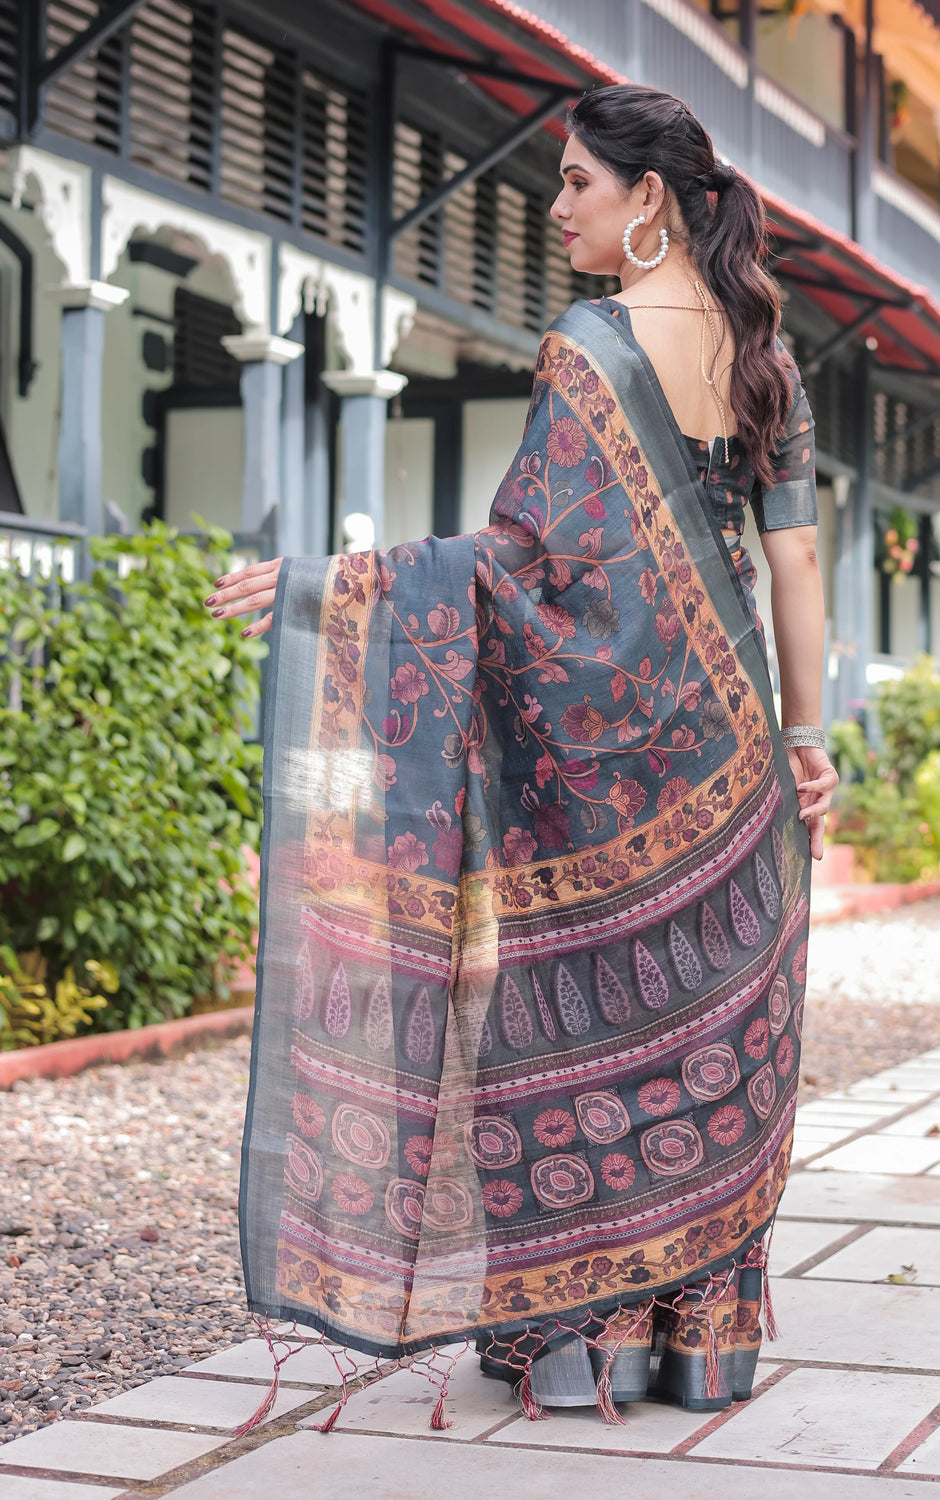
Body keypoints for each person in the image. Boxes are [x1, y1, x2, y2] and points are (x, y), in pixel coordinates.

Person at [206, 83, 837, 1427]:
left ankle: (581, 1347)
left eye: (574, 185)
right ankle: (699, 1350)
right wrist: (807, 741)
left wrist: (345, 586)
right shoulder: (770, 352)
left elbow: (522, 565)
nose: (556, 210)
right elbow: (796, 565)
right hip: (731, 759)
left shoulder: (592, 343)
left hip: (606, 769)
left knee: (583, 1023)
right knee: (717, 1032)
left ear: (646, 197)